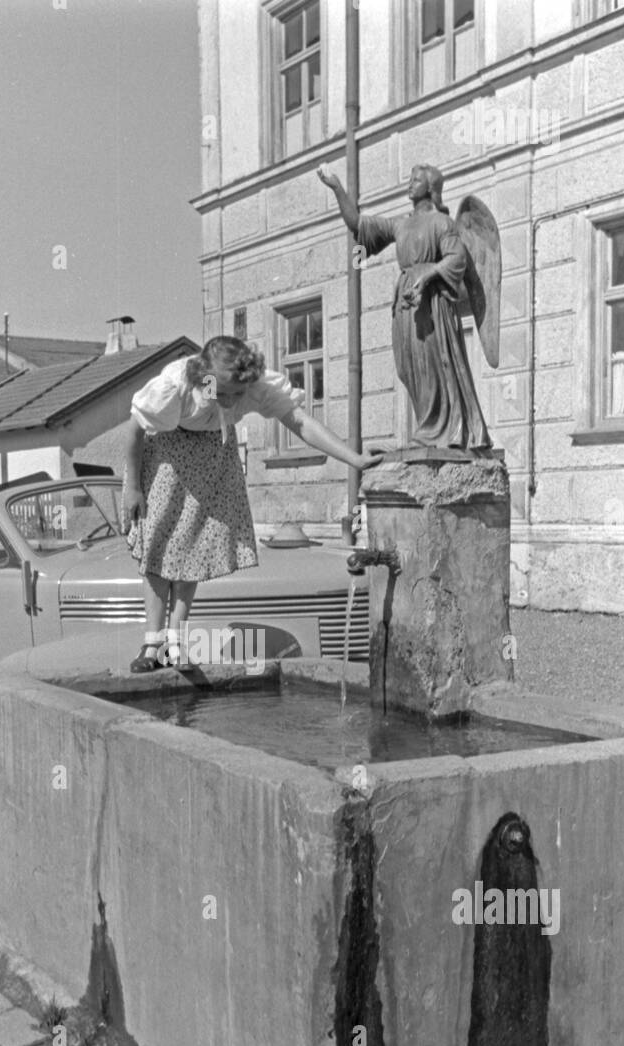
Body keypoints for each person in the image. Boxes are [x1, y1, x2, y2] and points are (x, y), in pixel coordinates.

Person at [122, 335, 375, 672]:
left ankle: (175, 641)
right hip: (168, 450)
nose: (231, 401)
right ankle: (151, 644)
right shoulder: (185, 385)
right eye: (223, 393)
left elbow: (300, 423)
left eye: (237, 394)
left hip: (212, 455)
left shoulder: (251, 385)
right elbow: (135, 430)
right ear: (207, 378)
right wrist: (132, 486)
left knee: (193, 546)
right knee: (160, 544)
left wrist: (354, 459)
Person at [318, 161, 491, 451]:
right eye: (410, 179)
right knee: (408, 367)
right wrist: (337, 187)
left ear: (431, 188)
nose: (409, 184)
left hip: (432, 304)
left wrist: (428, 275)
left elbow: (456, 259)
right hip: (406, 303)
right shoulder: (401, 224)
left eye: (416, 180)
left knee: (434, 363)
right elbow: (357, 224)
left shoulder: (442, 223)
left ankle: (444, 431)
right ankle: (428, 427)